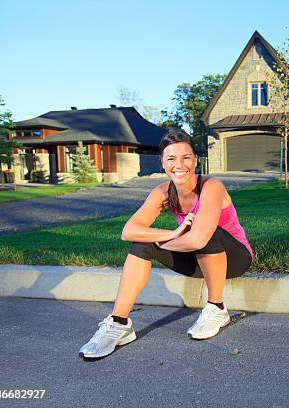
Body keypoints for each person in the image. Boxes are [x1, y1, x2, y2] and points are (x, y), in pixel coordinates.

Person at [78, 130, 254, 359]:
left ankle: (217, 308)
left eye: (186, 157)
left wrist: (164, 242)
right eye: (171, 159)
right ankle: (119, 323)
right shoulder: (162, 191)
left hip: (234, 258)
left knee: (205, 232)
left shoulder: (211, 186)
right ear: (162, 163)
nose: (179, 165)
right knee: (141, 243)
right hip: (198, 257)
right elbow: (128, 231)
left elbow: (199, 238)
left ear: (196, 160)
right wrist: (172, 232)